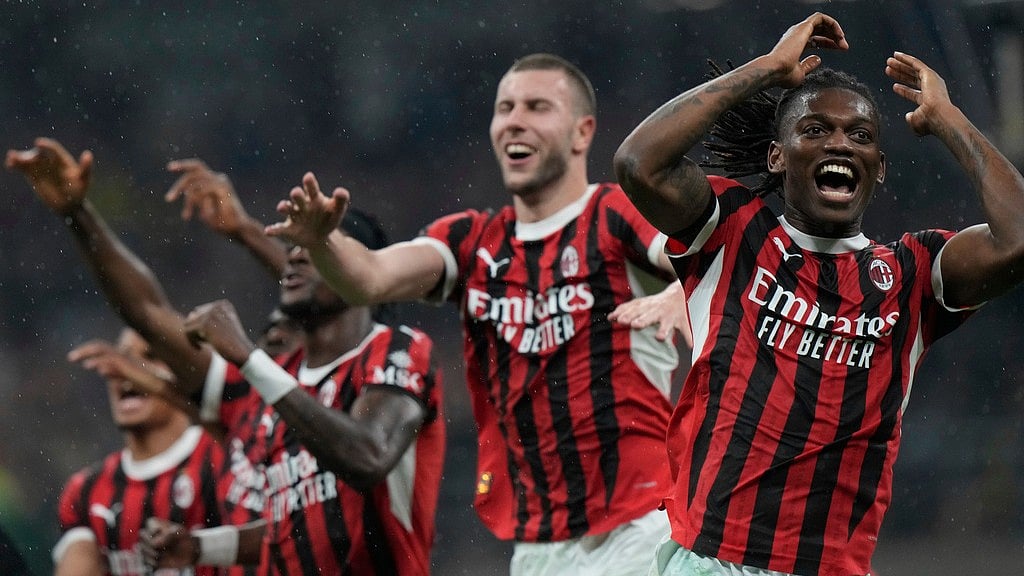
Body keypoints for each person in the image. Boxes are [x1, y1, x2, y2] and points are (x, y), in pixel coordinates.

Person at [612, 12, 1024, 576]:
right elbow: (639, 163)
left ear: (878, 170)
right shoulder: (734, 231)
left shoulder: (913, 272)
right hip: (713, 561)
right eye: (815, 130)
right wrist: (765, 71)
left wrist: (949, 120)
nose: (840, 143)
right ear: (777, 158)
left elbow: (1020, 240)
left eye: (860, 136)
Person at [265, 53, 689, 576]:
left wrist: (681, 290)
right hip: (537, 545)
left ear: (582, 133)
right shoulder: (470, 241)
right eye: (505, 108)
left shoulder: (614, 214)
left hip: (640, 526)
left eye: (537, 107)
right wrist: (323, 242)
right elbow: (369, 277)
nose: (515, 120)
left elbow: (696, 261)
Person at [6, 139, 446, 575]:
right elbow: (148, 314)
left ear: (360, 269)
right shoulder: (263, 391)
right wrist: (78, 216)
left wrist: (250, 356)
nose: (294, 257)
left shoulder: (396, 350)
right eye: (292, 249)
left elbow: (367, 458)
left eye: (315, 249)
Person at [52, 327, 234, 576]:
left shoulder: (227, 454)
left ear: (188, 371)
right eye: (122, 357)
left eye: (150, 357)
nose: (128, 370)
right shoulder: (86, 491)